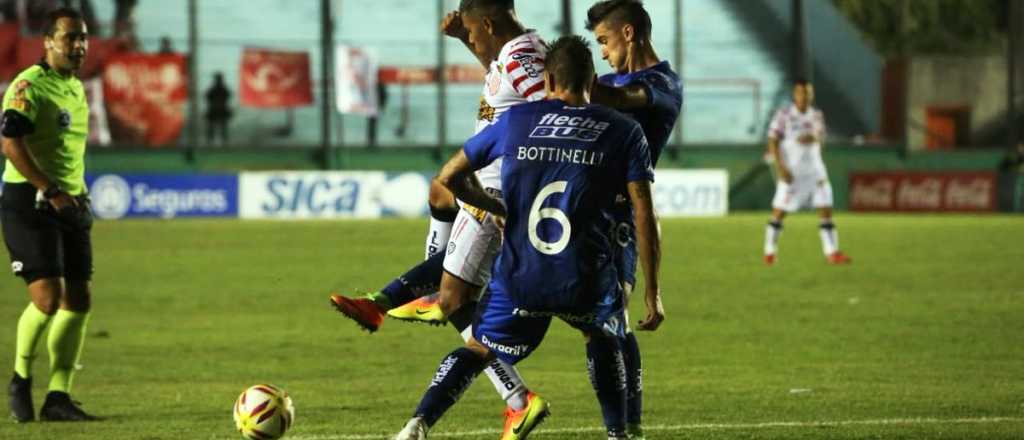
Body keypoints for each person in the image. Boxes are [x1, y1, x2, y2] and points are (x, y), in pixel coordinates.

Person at [392, 35, 664, 440]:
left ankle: (417, 424)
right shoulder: (623, 131)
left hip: (521, 275)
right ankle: (618, 434)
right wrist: (652, 292)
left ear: (549, 78)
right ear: (592, 81)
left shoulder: (517, 121)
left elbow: (448, 178)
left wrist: (498, 210)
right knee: (603, 332)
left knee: (479, 348)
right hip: (582, 275)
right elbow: (644, 212)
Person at [328, 0, 551, 437]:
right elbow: (504, 75)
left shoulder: (524, 57)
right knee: (443, 211)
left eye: (472, 31)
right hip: (486, 187)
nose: (471, 38)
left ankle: (385, 307)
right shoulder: (513, 52)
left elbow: (556, 110)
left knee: (451, 299)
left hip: (496, 193)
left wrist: (528, 183)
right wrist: (466, 43)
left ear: (487, 22)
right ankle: (517, 400)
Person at [585, 1, 682, 438]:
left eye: (603, 41)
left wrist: (569, 74)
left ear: (628, 33)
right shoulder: (604, 81)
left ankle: (627, 427)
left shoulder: (660, 84)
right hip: (582, 215)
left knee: (608, 326)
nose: (602, 52)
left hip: (619, 223)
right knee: (600, 325)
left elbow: (623, 99)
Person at [2, 7, 98, 422]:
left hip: (70, 201)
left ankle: (58, 396)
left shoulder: (75, 88)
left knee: (78, 300)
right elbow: (10, 144)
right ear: (47, 42)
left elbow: (69, 152)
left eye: (83, 38)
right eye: (70, 37)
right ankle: (20, 377)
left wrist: (78, 192)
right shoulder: (28, 86)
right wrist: (50, 189)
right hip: (30, 201)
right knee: (47, 297)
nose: (78, 45)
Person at [763, 79, 851, 265]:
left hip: (815, 172)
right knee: (779, 212)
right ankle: (770, 251)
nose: (805, 96)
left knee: (826, 210)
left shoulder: (817, 115)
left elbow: (820, 137)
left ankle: (832, 253)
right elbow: (773, 140)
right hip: (792, 173)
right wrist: (780, 167)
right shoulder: (784, 114)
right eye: (801, 93)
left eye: (808, 93)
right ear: (795, 94)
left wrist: (814, 137)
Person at [204, 72, 232, 146]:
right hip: (217, 110)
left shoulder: (219, 90)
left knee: (220, 128)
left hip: (218, 110)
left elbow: (207, 97)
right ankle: (212, 143)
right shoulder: (218, 90)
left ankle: (221, 143)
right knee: (214, 128)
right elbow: (207, 98)